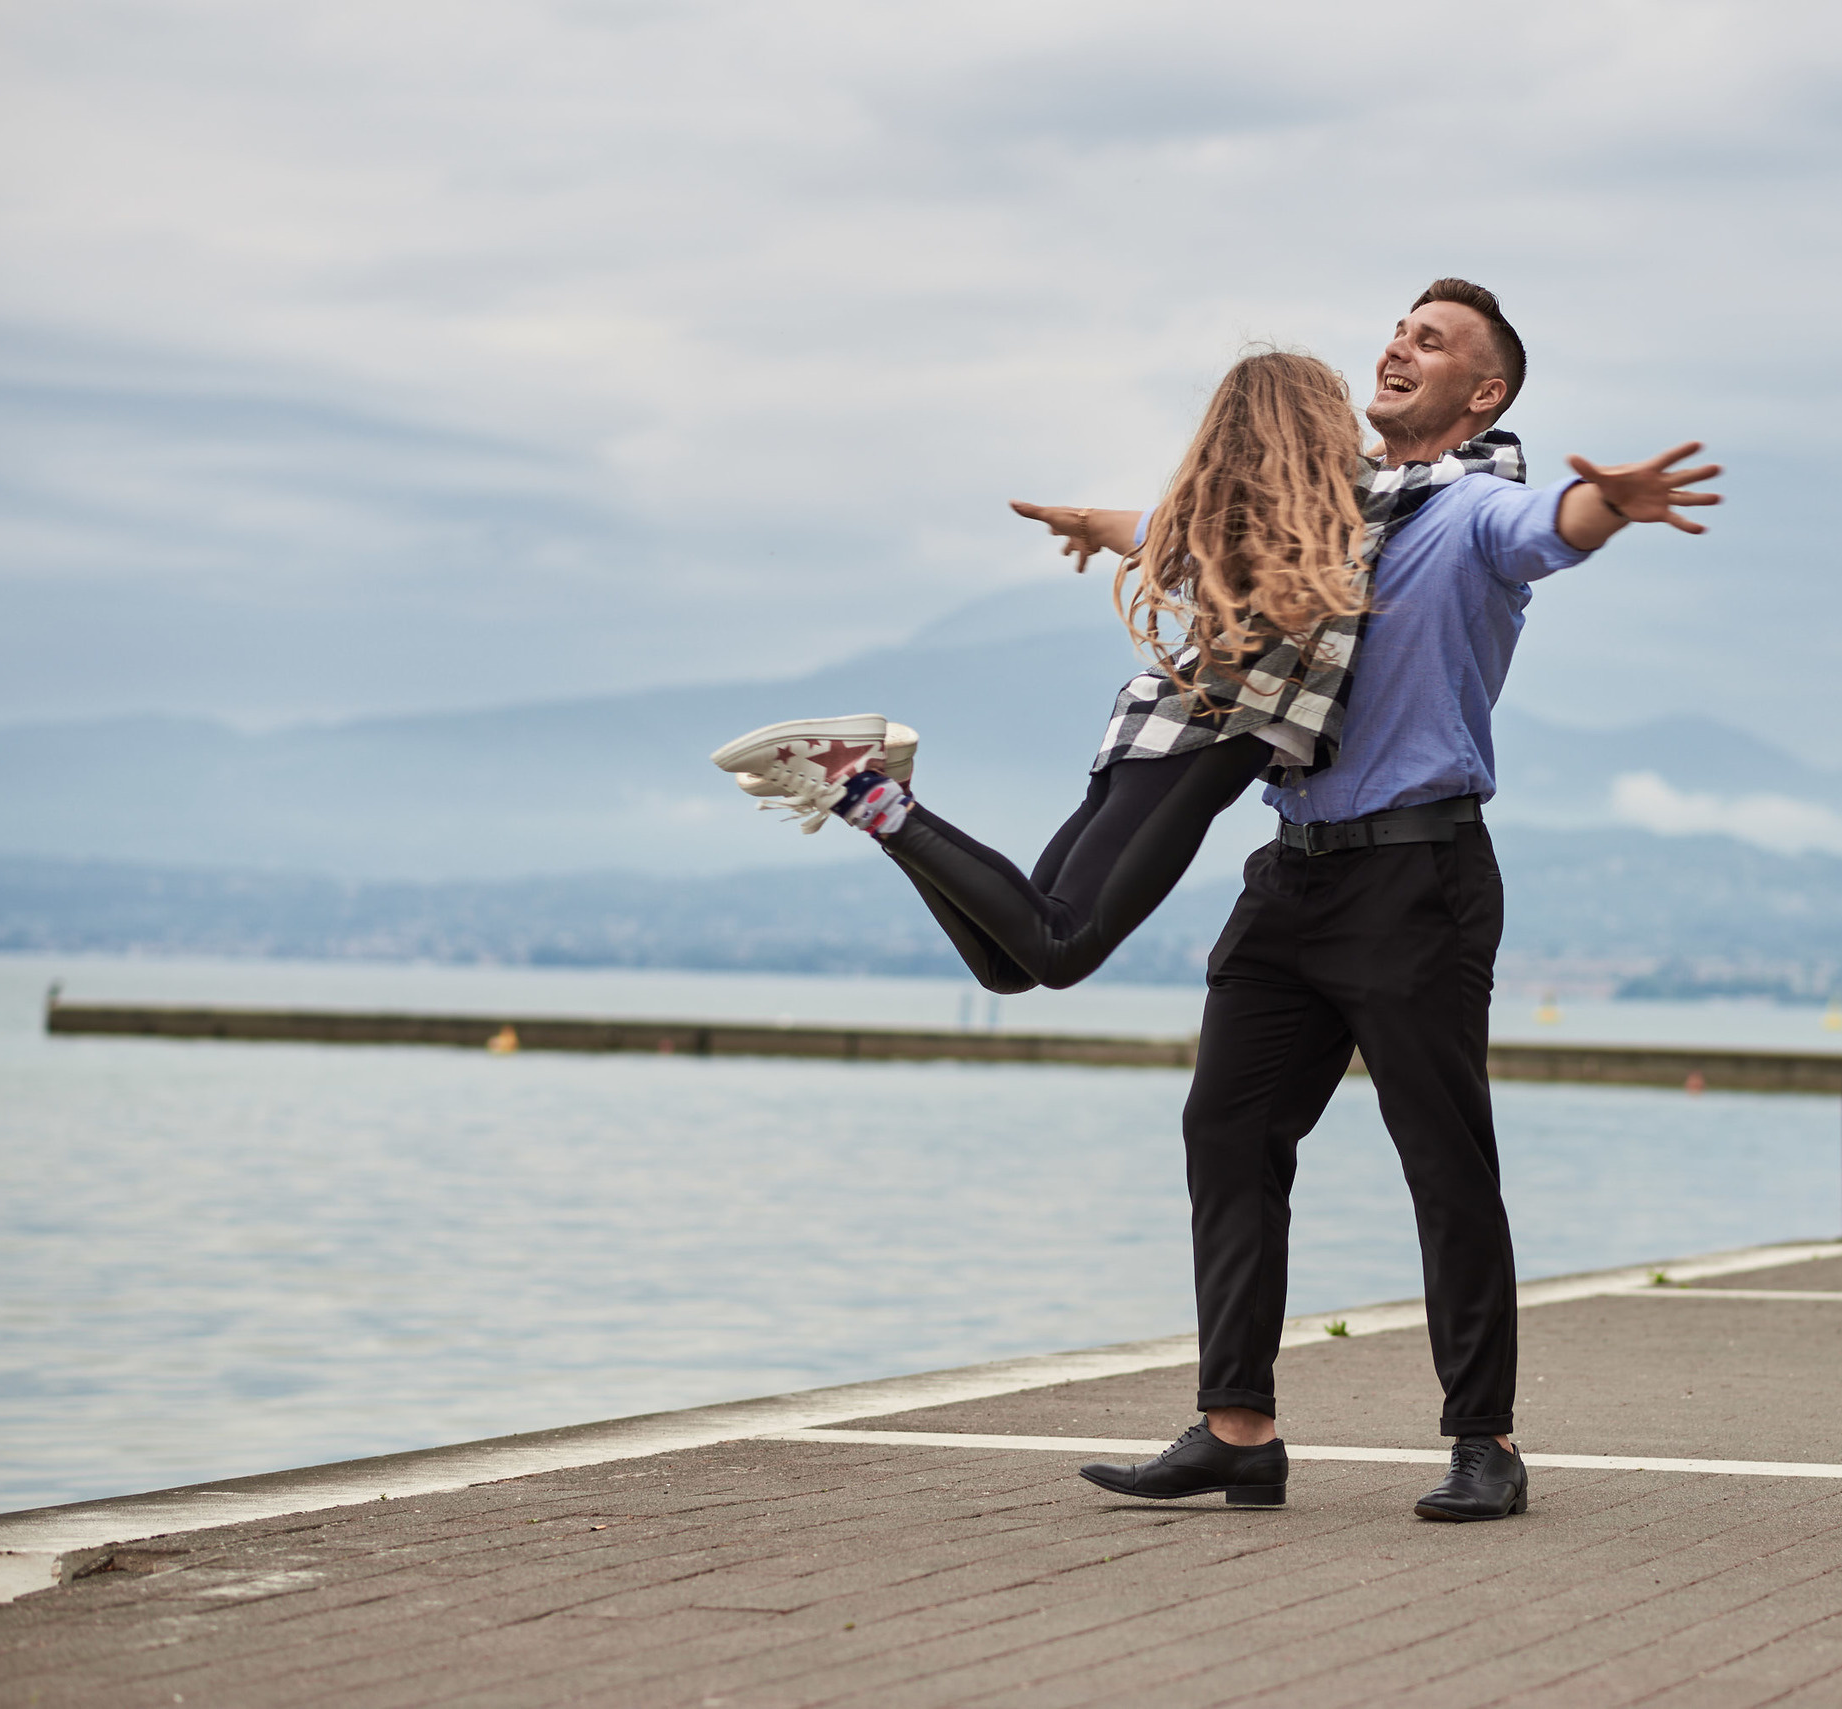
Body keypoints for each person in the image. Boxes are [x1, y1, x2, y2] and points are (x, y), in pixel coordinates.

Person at [1050, 280, 1721, 1523]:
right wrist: (1107, 523)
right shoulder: (1333, 515)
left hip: (1418, 878)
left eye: (1434, 340)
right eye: (1400, 329)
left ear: (1485, 392)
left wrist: (1610, 506)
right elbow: (1202, 536)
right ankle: (1237, 1430)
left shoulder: (1471, 511)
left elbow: (1546, 527)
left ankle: (1485, 1439)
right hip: (1291, 873)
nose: (1400, 346)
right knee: (1227, 1133)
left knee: (1442, 1156)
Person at [708, 347, 1513, 994]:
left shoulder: (1243, 515)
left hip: (1153, 736)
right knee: (1060, 946)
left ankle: (884, 793)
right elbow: (1468, 476)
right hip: (1201, 743)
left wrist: (1095, 522)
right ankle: (861, 789)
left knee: (1009, 965)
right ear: (1313, 423)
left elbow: (1160, 527)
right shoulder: (1350, 505)